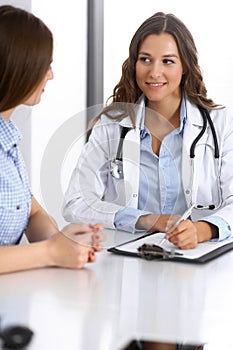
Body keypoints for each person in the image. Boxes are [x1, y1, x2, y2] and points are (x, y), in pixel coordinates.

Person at [63, 11, 233, 250]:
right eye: (145, 59)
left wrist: (202, 230)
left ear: (185, 66)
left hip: (198, 260)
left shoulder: (221, 123)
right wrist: (146, 220)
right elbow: (76, 202)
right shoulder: (112, 125)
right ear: (134, 63)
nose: (154, 72)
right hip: (129, 259)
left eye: (168, 61)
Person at [0, 5, 104, 275]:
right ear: (18, 65)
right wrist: (50, 252)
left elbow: (30, 212)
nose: (51, 75)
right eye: (45, 65)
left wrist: (61, 242)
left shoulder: (7, 138)